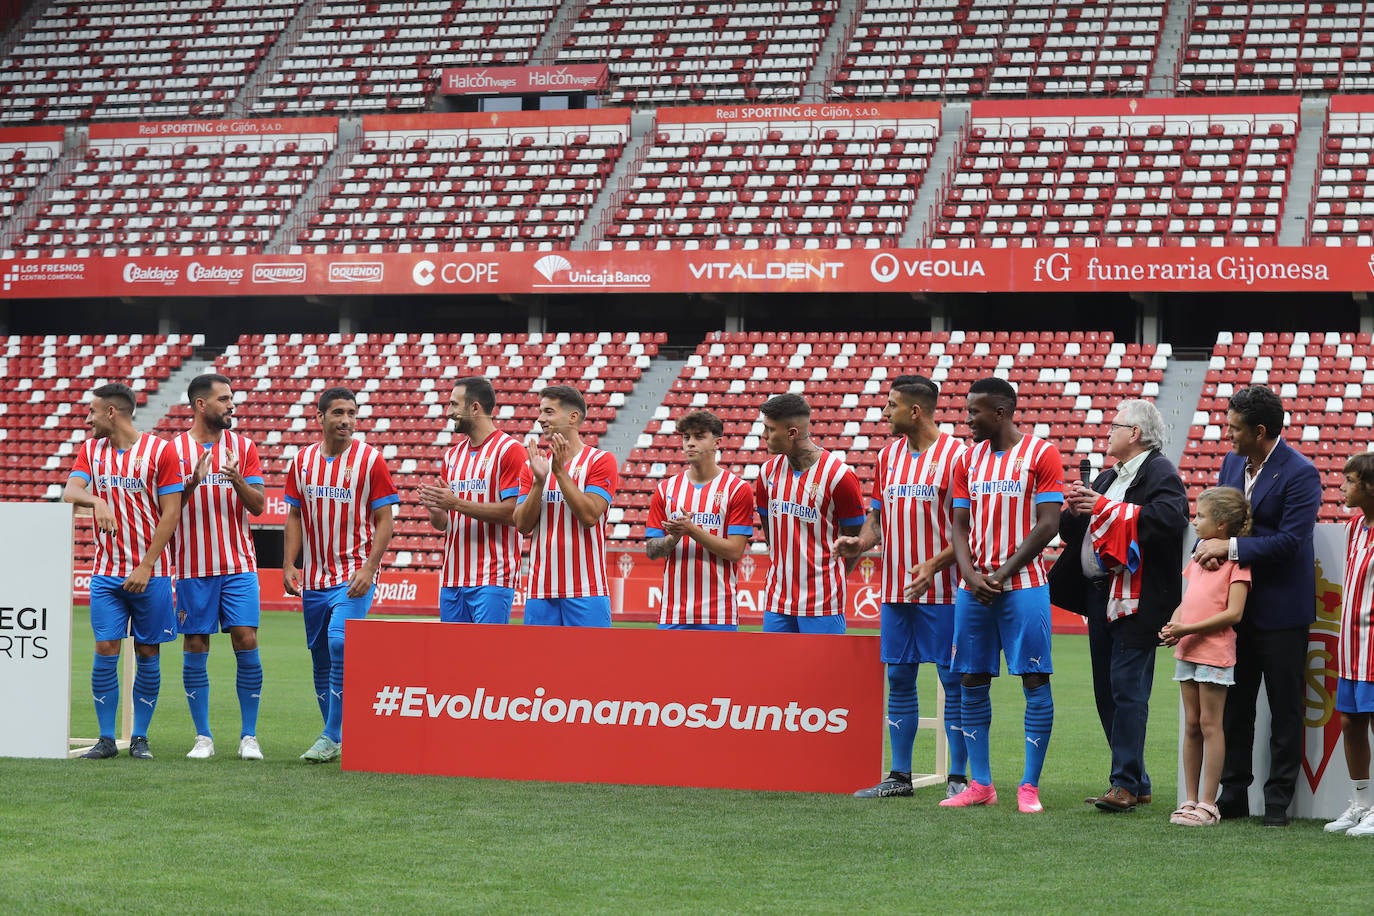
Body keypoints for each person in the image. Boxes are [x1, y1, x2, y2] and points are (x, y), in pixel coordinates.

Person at [1049, 400, 1189, 813]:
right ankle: (1135, 781)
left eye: (1116, 426)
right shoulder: (1111, 476)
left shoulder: (1159, 470)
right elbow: (1076, 532)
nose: (1108, 432)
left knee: (1128, 691)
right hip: (1100, 594)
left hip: (1137, 596)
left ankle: (1125, 782)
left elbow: (1171, 518)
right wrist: (1075, 509)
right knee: (1107, 692)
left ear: (1136, 434)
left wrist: (1104, 507)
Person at [835, 376, 969, 798]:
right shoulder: (888, 456)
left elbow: (970, 530)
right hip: (896, 590)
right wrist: (861, 541)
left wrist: (934, 563)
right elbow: (878, 519)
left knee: (954, 682)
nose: (884, 412)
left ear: (915, 411)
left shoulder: (957, 456)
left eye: (890, 405)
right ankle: (900, 776)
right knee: (900, 679)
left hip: (945, 591)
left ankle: (960, 778)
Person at [1193, 385, 1320, 826]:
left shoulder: (1301, 473)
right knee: (1236, 704)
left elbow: (1290, 543)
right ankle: (1233, 794)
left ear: (1260, 431)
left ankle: (1278, 802)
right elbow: (1218, 519)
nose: (1226, 435)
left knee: (1285, 708)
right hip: (1235, 607)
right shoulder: (1232, 462)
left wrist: (1227, 548)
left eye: (1234, 428)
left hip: (1282, 611)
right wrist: (1206, 545)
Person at [940, 376, 1064, 814]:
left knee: (1034, 679)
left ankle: (1029, 787)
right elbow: (958, 523)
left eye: (975, 411)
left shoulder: (1040, 452)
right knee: (971, 680)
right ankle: (981, 784)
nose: (967, 418)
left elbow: (1049, 522)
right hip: (972, 590)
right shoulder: (966, 460)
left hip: (1024, 586)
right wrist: (971, 575)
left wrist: (1002, 573)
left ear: (1002, 412)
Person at [64, 382, 183, 760]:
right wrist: (95, 498)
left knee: (148, 651)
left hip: (153, 572)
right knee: (104, 647)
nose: (88, 418)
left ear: (112, 413)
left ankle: (140, 738)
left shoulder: (160, 452)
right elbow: (70, 490)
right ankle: (104, 738)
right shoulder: (92, 451)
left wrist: (146, 565)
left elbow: (172, 513)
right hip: (107, 572)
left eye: (93, 412)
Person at [283, 386, 398, 763]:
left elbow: (385, 521)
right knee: (320, 657)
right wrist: (289, 563)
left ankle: (331, 734)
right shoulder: (301, 462)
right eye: (338, 413)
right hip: (314, 579)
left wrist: (369, 568)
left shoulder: (371, 460)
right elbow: (295, 514)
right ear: (320, 418)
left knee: (339, 644)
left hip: (353, 574)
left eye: (351, 413)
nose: (346, 420)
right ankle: (337, 735)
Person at [170, 373, 266, 761]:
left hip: (238, 564)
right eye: (224, 399)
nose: (231, 405)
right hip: (192, 566)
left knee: (246, 638)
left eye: (232, 398)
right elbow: (167, 511)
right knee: (195, 643)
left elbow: (258, 506)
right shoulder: (171, 451)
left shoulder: (243, 447)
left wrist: (236, 478)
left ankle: (249, 737)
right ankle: (203, 737)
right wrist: (193, 482)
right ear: (200, 405)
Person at [1160, 487, 1252, 827]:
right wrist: (1175, 623)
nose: (1194, 521)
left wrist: (1187, 629)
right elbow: (1189, 599)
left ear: (1223, 524)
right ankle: (1189, 799)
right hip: (1188, 649)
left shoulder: (1238, 563)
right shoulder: (1198, 555)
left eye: (1200, 516)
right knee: (1192, 724)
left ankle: (1208, 803)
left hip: (1215, 652)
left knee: (1212, 725)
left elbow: (1234, 613)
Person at [753, 392, 865, 634]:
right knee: (775, 672)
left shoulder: (839, 476)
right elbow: (770, 532)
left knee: (823, 673)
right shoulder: (766, 474)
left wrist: (832, 579)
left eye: (770, 429)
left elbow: (854, 540)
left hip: (823, 602)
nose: (764, 436)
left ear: (792, 433)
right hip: (778, 599)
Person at [417, 377, 523, 624]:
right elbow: (443, 523)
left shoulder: (509, 450)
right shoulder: (452, 456)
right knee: (454, 661)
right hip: (453, 578)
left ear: (475, 408)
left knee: (485, 658)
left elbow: (513, 513)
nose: (449, 412)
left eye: (454, 404)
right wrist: (436, 510)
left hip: (492, 577)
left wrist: (455, 503)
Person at [514, 384, 619, 627]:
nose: (540, 418)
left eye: (549, 412)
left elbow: (589, 515)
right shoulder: (534, 466)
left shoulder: (601, 461)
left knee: (590, 665)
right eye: (540, 412)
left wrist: (559, 473)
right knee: (538, 665)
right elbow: (521, 524)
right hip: (540, 590)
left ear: (573, 417)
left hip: (587, 589)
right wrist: (539, 483)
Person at [644, 410, 755, 630]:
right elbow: (651, 550)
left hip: (719, 614)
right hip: (673, 613)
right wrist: (672, 539)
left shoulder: (737, 489)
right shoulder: (665, 490)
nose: (690, 443)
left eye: (699, 436)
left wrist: (691, 530)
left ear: (717, 443)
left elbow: (734, 551)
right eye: (686, 437)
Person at [1324, 452, 1374, 837]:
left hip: (1372, 646)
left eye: (1350, 480)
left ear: (1370, 487)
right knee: (1350, 722)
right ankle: (1360, 803)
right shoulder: (1355, 528)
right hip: (1350, 646)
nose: (1342, 486)